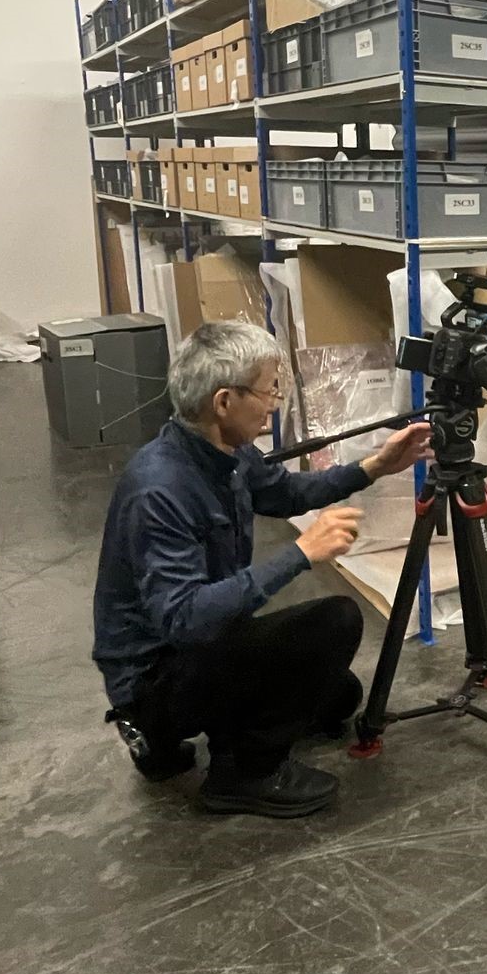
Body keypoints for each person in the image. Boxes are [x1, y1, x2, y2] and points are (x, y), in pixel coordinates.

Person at [92, 320, 432, 819]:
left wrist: (374, 466)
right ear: (224, 401)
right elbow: (184, 619)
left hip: (204, 641)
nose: (276, 401)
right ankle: (241, 774)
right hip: (157, 675)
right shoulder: (160, 489)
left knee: (339, 698)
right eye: (268, 389)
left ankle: (215, 731)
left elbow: (287, 492)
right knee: (338, 621)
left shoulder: (223, 452)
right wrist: (299, 554)